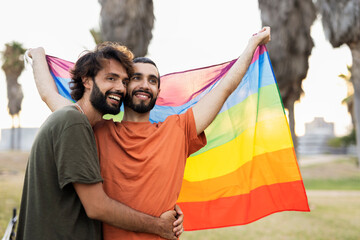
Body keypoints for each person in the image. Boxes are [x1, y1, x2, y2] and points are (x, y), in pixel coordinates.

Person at [30, 26, 271, 240]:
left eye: (153, 81)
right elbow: (49, 95)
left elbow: (225, 88)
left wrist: (251, 46)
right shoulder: (93, 128)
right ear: (124, 87)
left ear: (157, 91)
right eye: (136, 78)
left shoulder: (179, 129)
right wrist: (38, 54)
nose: (145, 85)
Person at [17, 42, 183, 240]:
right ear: (86, 80)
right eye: (111, 78)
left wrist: (38, 55)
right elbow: (97, 207)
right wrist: (158, 226)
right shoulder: (74, 123)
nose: (120, 88)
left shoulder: (75, 120)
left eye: (124, 81)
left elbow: (48, 94)